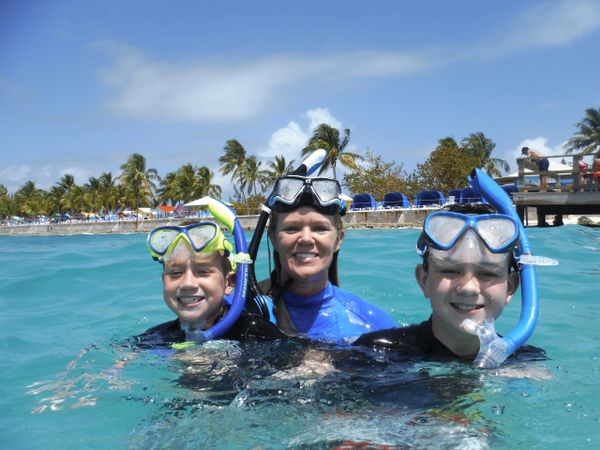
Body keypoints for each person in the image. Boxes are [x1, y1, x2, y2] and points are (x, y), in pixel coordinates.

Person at [355, 204, 545, 365]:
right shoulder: (376, 353)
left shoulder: (526, 364)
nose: (469, 288)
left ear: (510, 287)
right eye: (450, 271)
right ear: (424, 280)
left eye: (487, 273)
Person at [257, 174, 397, 343]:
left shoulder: (374, 326)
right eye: (292, 229)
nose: (306, 239)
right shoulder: (235, 310)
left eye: (319, 229)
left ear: (338, 240)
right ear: (273, 239)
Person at [135, 219, 286, 350]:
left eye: (203, 272)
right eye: (175, 273)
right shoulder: (158, 337)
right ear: (163, 281)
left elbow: (297, 363)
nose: (188, 283)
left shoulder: (253, 331)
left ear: (229, 283)